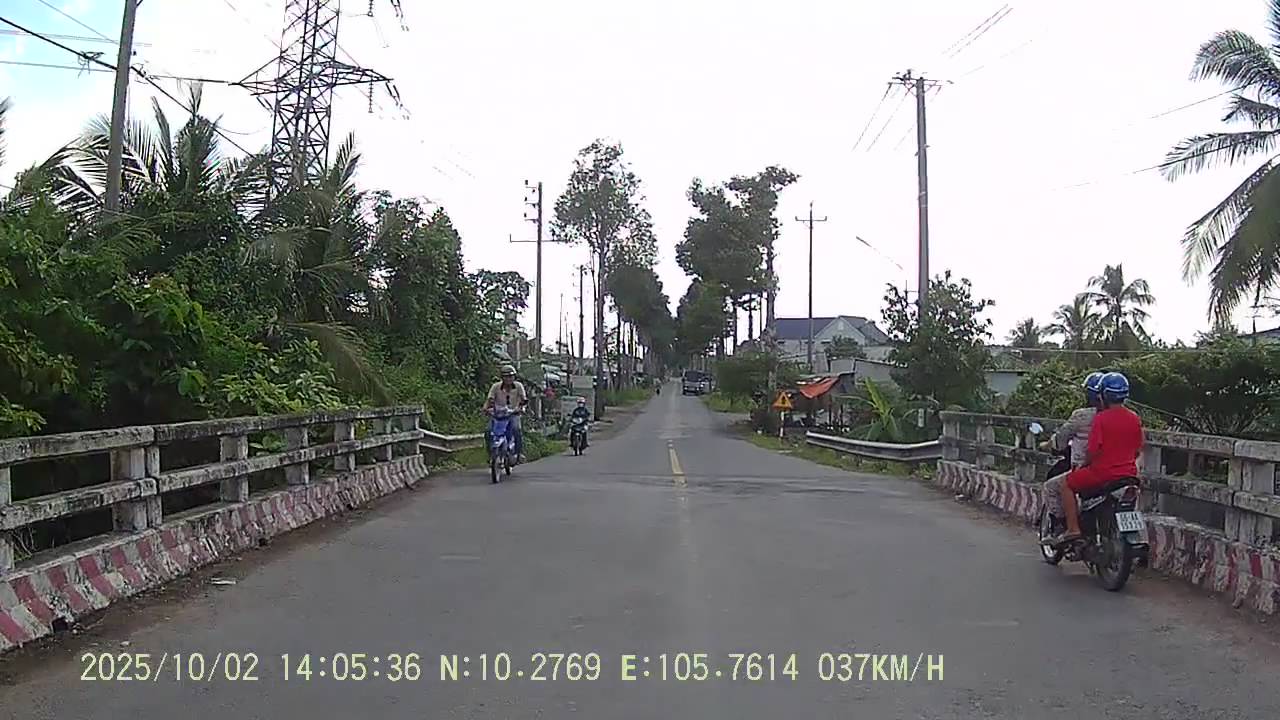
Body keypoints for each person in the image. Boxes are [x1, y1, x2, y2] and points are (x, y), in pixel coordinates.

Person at [1054, 371, 1144, 544]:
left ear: (1103, 396)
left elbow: (1093, 450)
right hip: (1129, 474)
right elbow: (1138, 450)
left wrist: (1083, 465)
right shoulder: (1134, 418)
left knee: (1065, 485)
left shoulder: (1101, 418)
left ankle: (1073, 529)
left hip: (1102, 473)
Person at [1039, 371, 1104, 526]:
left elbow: (1061, 439)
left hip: (1089, 469)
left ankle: (1066, 527)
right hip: (1122, 471)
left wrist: (1047, 445)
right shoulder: (1128, 417)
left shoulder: (1082, 416)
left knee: (1054, 487)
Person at [484, 365, 528, 460]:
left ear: (514, 377)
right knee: (488, 431)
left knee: (516, 429)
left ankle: (518, 452)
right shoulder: (496, 387)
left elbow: (523, 400)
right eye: (506, 376)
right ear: (502, 377)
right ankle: (491, 454)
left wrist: (521, 408)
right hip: (498, 414)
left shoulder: (518, 386)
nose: (508, 379)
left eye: (510, 376)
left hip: (513, 413)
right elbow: (490, 399)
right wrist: (486, 409)